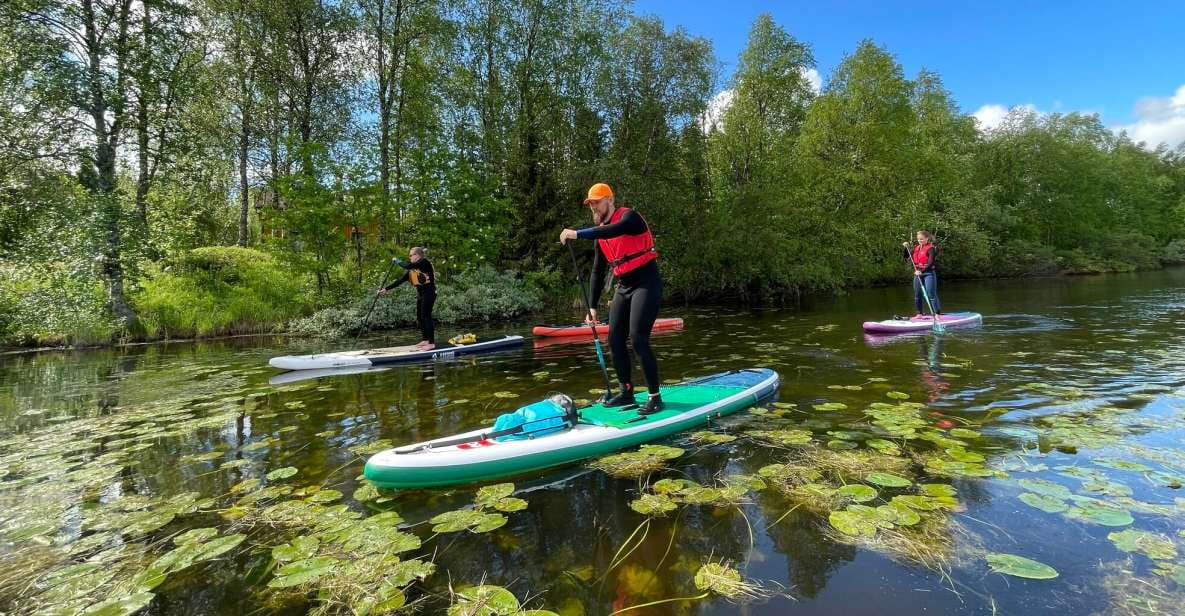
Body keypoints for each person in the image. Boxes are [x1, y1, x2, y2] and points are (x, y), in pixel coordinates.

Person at [560, 183, 665, 415]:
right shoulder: (601, 235)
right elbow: (597, 271)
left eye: (597, 202)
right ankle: (626, 391)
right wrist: (592, 307)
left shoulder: (630, 217)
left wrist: (577, 234)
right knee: (615, 339)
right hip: (625, 286)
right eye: (590, 204)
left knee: (638, 339)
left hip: (646, 283)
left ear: (610, 200)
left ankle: (655, 397)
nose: (593, 207)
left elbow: (614, 230)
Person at [377, 247, 436, 349]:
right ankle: (426, 340)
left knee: (426, 316)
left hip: (430, 293)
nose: (409, 257)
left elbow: (407, 265)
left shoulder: (424, 262)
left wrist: (397, 261)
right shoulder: (412, 269)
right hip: (421, 294)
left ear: (417, 255)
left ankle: (431, 343)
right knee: (420, 317)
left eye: (410, 255)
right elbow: (400, 280)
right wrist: (386, 289)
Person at [903, 230, 940, 318]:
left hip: (928, 273)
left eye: (922, 239)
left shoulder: (931, 248)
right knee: (917, 294)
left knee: (931, 293)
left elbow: (931, 263)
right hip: (918, 274)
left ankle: (936, 313)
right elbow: (906, 256)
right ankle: (919, 313)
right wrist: (906, 248)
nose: (920, 241)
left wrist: (921, 271)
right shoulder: (916, 248)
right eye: (919, 239)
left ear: (927, 238)